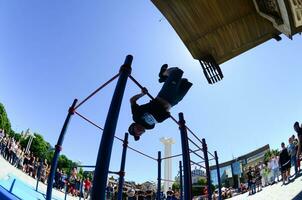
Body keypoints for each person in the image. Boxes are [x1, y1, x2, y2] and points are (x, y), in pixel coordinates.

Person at [129, 65, 192, 140]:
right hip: (172, 102)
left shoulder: (136, 116)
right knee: (185, 82)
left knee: (177, 71)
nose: (139, 133)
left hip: (164, 95)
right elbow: (158, 117)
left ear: (133, 127)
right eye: (139, 135)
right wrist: (166, 116)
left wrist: (142, 94)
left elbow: (132, 100)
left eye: (136, 133)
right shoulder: (150, 127)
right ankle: (166, 79)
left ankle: (163, 74)